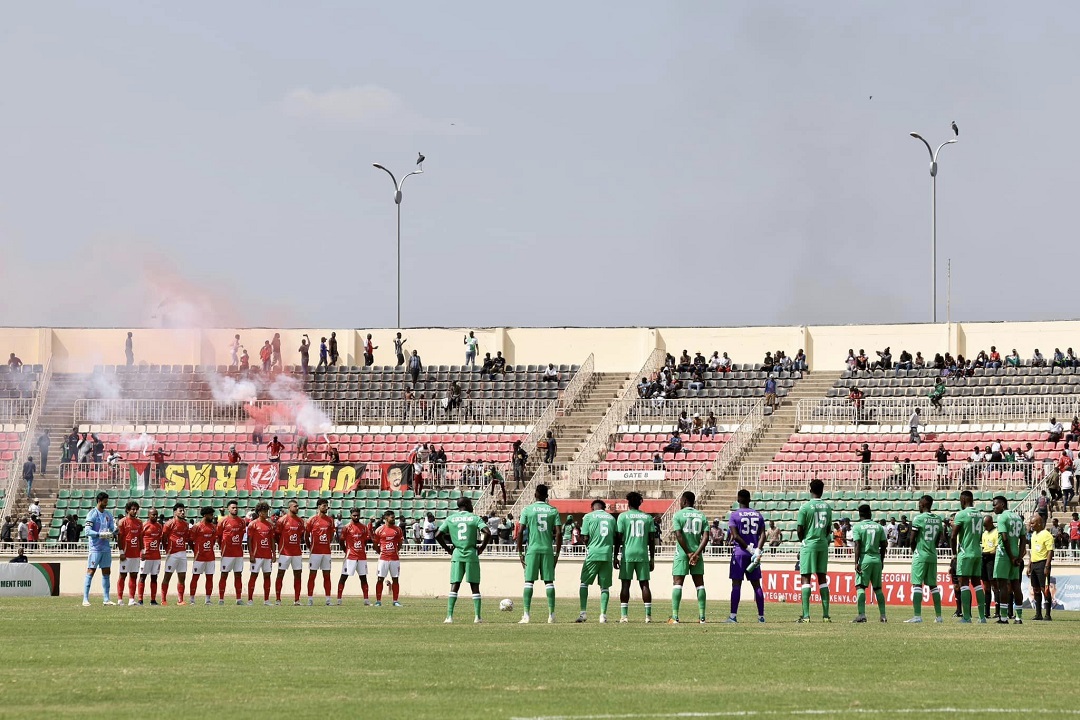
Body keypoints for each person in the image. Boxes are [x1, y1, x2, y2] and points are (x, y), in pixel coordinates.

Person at [436, 497, 491, 624]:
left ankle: (449, 617)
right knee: (474, 586)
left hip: (457, 555)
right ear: (466, 504)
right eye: (471, 504)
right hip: (471, 554)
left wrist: (447, 549)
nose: (472, 506)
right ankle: (477, 617)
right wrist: (482, 547)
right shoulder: (474, 518)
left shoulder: (451, 519)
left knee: (454, 585)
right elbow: (487, 532)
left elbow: (438, 535)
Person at [515, 483, 562, 624]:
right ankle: (551, 615)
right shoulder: (553, 511)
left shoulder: (528, 510)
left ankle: (526, 615)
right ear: (547, 496)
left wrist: (520, 553)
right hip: (547, 549)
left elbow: (520, 531)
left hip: (532, 550)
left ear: (535, 494)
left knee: (529, 581)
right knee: (549, 582)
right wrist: (557, 554)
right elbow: (559, 533)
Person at [614, 491, 656, 624]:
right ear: (640, 503)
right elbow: (651, 540)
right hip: (642, 553)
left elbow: (618, 538)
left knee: (625, 583)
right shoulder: (647, 518)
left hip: (628, 554)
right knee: (644, 584)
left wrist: (615, 556)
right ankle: (648, 617)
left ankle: (624, 616)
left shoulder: (622, 517)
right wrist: (652, 558)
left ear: (628, 503)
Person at [724, 489, 765, 623]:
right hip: (754, 556)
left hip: (740, 553)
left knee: (736, 584)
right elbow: (763, 534)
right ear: (749, 499)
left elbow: (735, 536)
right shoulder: (758, 515)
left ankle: (733, 616)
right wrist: (757, 550)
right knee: (756, 585)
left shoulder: (734, 515)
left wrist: (748, 548)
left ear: (738, 499)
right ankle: (761, 617)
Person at [796, 479, 833, 622]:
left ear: (810, 490)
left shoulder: (805, 507)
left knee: (806, 577)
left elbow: (800, 529)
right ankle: (825, 615)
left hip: (809, 544)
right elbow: (829, 529)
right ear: (822, 491)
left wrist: (803, 540)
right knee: (822, 577)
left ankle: (806, 616)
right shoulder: (827, 507)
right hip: (823, 544)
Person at [905, 494, 944, 623]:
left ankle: (917, 616)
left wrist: (915, 551)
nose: (919, 506)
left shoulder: (918, 519)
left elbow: (912, 539)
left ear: (922, 505)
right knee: (933, 586)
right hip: (933, 555)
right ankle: (938, 617)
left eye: (919, 504)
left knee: (917, 584)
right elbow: (939, 538)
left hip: (920, 555)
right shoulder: (938, 519)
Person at [576, 499, 616, 624]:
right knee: (604, 587)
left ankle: (583, 613)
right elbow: (616, 537)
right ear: (604, 508)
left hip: (593, 554)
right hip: (607, 554)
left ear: (593, 507)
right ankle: (603, 615)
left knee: (584, 583)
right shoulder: (611, 518)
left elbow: (585, 536)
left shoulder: (588, 517)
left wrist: (587, 544)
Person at [951, 490, 987, 623]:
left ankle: (966, 617)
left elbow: (953, 535)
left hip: (965, 553)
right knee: (977, 584)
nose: (960, 502)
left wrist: (954, 553)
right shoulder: (979, 514)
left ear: (964, 499)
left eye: (961, 500)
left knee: (964, 583)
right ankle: (982, 617)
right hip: (977, 552)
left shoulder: (961, 514)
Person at [851, 504, 888, 623]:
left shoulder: (857, 527)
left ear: (859, 514)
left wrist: (856, 562)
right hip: (876, 559)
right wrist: (881, 560)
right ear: (870, 513)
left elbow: (857, 544)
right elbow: (884, 545)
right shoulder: (879, 527)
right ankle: (883, 616)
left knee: (860, 587)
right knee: (877, 588)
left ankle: (862, 615)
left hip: (864, 558)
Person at [992, 496, 1027, 623]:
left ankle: (1004, 617)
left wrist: (1011, 556)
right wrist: (1019, 555)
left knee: (1003, 586)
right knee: (1016, 584)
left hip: (1004, 555)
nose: (993, 507)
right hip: (1016, 554)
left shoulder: (1002, 517)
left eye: (995, 505)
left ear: (1002, 504)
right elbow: (1023, 538)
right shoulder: (1017, 517)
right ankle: (1018, 617)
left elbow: (1004, 538)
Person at [82, 492, 117, 607]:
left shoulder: (108, 515)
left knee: (106, 572)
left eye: (107, 501)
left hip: (106, 548)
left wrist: (115, 531)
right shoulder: (92, 514)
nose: (107, 504)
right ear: (99, 501)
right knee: (91, 571)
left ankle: (106, 599)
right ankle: (85, 599)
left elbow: (112, 528)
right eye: (105, 501)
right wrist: (100, 534)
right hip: (95, 548)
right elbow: (87, 531)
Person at [338, 507, 372, 605]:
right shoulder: (347, 527)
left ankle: (366, 600)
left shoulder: (364, 527)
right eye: (354, 515)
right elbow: (341, 540)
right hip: (350, 557)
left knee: (363, 578)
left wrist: (361, 548)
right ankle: (339, 599)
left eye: (357, 515)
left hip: (361, 557)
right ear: (350, 515)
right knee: (343, 577)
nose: (356, 517)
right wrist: (346, 550)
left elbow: (365, 541)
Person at [306, 498, 336, 606]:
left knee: (327, 575)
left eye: (327, 505)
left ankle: (328, 599)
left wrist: (328, 542)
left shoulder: (330, 520)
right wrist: (310, 547)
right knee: (312, 575)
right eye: (324, 505)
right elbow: (306, 535)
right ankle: (310, 599)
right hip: (315, 552)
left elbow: (332, 534)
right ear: (318, 506)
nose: (326, 507)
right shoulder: (312, 520)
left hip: (326, 552)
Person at [217, 500, 247, 605]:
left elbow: (242, 534)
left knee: (238, 575)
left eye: (236, 507)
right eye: (233, 508)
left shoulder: (242, 521)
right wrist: (222, 548)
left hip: (238, 553)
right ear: (228, 509)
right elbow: (219, 536)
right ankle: (221, 599)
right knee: (224, 575)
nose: (235, 509)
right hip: (227, 553)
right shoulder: (223, 521)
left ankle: (238, 599)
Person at [275, 500, 305, 605]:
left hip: (297, 553)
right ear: (289, 507)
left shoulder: (301, 521)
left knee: (298, 575)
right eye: (295, 506)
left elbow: (301, 535)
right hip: (284, 552)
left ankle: (297, 600)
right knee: (280, 574)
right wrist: (282, 545)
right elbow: (276, 535)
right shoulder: (282, 520)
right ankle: (278, 599)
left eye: (298, 506)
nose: (297, 508)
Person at [160, 503, 191, 606]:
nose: (182, 512)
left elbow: (187, 538)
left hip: (182, 553)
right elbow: (164, 538)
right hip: (172, 554)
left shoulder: (186, 525)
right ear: (175, 512)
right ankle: (163, 600)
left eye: (183, 510)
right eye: (180, 510)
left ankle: (180, 600)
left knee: (182, 577)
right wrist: (167, 549)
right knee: (167, 576)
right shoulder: (169, 524)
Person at [246, 502, 276, 605]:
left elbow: (272, 540)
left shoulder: (270, 525)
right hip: (256, 555)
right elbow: (249, 540)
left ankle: (266, 600)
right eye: (264, 511)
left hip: (267, 555)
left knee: (267, 576)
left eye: (266, 511)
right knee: (254, 575)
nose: (266, 513)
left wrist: (274, 554)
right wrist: (251, 554)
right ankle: (250, 599)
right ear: (259, 512)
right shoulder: (252, 524)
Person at [373, 510, 405, 607]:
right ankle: (378, 601)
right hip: (383, 558)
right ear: (386, 518)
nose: (394, 519)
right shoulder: (379, 530)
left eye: (394, 517)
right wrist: (381, 552)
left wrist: (395, 551)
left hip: (394, 558)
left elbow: (400, 544)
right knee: (380, 579)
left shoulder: (398, 529)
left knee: (395, 579)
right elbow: (375, 544)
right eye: (392, 517)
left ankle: (395, 600)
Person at [114, 501, 143, 607]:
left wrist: (142, 551)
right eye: (133, 509)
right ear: (127, 510)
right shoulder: (122, 522)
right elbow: (120, 538)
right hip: (126, 553)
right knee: (122, 575)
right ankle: (120, 599)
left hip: (135, 554)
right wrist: (121, 552)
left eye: (136, 509)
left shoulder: (139, 522)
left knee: (134, 576)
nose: (135, 511)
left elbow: (140, 538)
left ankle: (131, 599)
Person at [188, 506, 218, 605]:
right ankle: (192, 599)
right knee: (195, 577)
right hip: (199, 557)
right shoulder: (197, 527)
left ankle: (208, 600)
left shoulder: (213, 527)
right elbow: (190, 540)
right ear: (205, 515)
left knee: (210, 578)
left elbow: (213, 541)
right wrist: (195, 550)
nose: (212, 516)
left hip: (210, 557)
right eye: (210, 515)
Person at [1028, 515, 1054, 621]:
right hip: (1034, 564)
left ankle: (1048, 615)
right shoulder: (1034, 534)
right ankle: (1038, 614)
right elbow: (1032, 551)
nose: (1031, 525)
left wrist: (1047, 566)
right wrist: (1029, 565)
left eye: (1033, 523)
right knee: (1036, 589)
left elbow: (1050, 551)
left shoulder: (1047, 535)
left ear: (1039, 523)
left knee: (1045, 589)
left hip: (1043, 564)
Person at [137, 508, 163, 605]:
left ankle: (153, 600)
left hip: (156, 556)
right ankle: (140, 599)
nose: (155, 516)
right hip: (146, 556)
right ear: (149, 515)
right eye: (153, 515)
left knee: (154, 577)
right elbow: (139, 539)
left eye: (156, 515)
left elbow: (159, 539)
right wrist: (142, 551)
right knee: (142, 577)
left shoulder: (159, 526)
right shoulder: (144, 526)